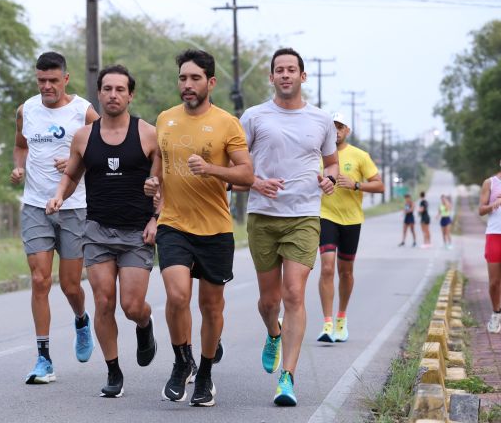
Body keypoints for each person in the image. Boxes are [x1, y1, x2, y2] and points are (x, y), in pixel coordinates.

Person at [144, 49, 253, 407]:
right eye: (182, 78)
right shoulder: (166, 118)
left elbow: (247, 174)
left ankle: (205, 373)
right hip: (173, 223)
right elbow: (160, 160)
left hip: (215, 229)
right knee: (176, 296)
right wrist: (152, 183)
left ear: (211, 82)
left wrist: (212, 170)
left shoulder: (227, 123)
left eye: (194, 78)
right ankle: (181, 362)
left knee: (211, 307)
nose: (187, 85)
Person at [47, 64, 160, 398]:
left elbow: (162, 184)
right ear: (99, 93)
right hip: (96, 231)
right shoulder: (84, 137)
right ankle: (113, 371)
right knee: (103, 301)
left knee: (132, 305)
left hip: (136, 233)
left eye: (120, 89)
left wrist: (156, 220)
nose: (113, 95)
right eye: (107, 89)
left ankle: (144, 325)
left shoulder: (148, 134)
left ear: (130, 94)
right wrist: (58, 195)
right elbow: (71, 175)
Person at [238, 47, 338, 406]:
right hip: (263, 216)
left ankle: (287, 377)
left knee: (294, 293)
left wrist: (330, 180)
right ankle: (273, 331)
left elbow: (331, 164)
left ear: (302, 76)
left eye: (291, 69)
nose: (285, 75)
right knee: (270, 301)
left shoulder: (321, 120)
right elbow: (237, 167)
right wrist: (254, 182)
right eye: (278, 70)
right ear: (271, 77)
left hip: (304, 216)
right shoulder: (253, 117)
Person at [11, 51, 99, 384]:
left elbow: (104, 147)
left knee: (71, 284)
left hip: (75, 207)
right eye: (41, 80)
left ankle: (80, 319)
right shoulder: (26, 110)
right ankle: (43, 359)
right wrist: (19, 165)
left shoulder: (84, 111)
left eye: (52, 80)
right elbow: (20, 144)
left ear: (66, 78)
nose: (47, 86)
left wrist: (78, 164)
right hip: (35, 205)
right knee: (39, 280)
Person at [316, 112, 384, 344]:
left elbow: (380, 185)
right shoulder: (318, 154)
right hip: (325, 216)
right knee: (326, 268)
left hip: (352, 220)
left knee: (345, 272)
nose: (335, 131)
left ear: (347, 131)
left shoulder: (360, 156)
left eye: (340, 127)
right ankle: (326, 323)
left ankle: (341, 320)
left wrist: (356, 184)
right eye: (331, 126)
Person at [479, 161, 501, 333]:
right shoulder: (490, 183)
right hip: (495, 235)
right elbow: (481, 210)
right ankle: (496, 313)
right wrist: (494, 205)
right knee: (494, 282)